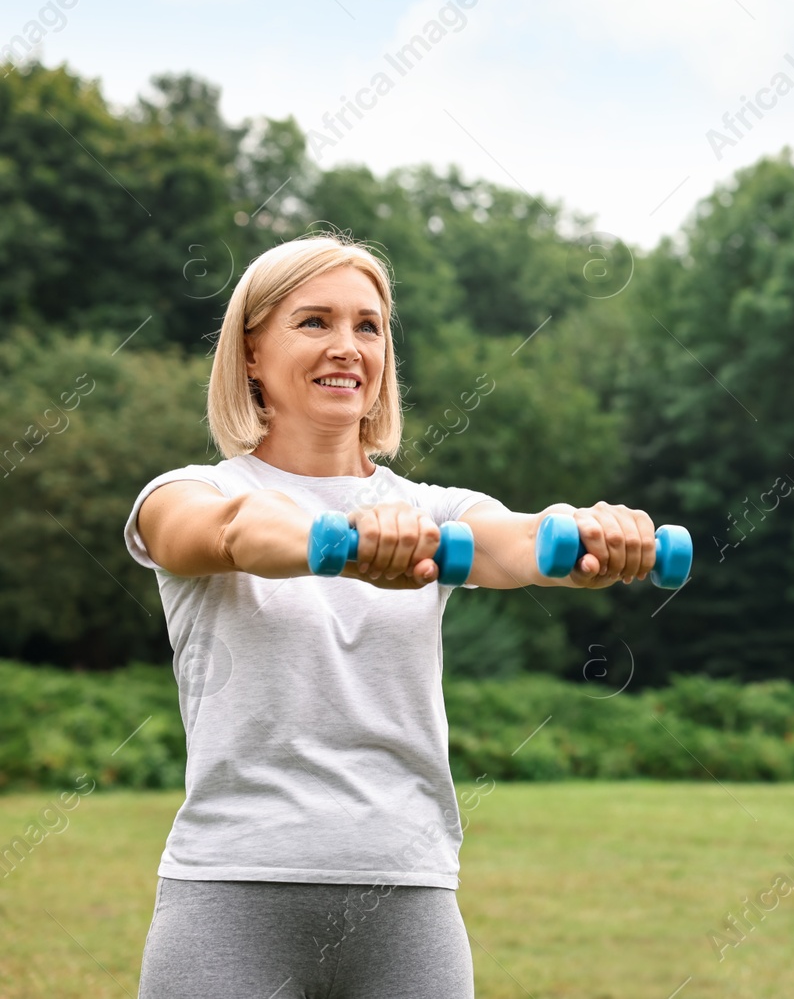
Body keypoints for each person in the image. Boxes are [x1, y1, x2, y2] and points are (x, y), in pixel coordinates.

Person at [124, 235, 658, 998]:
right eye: (314, 322)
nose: (347, 346)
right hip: (230, 888)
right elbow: (228, 533)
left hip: (406, 895)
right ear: (249, 352)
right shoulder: (187, 489)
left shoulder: (431, 511)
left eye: (367, 326)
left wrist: (592, 532)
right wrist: (336, 542)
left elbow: (520, 540)